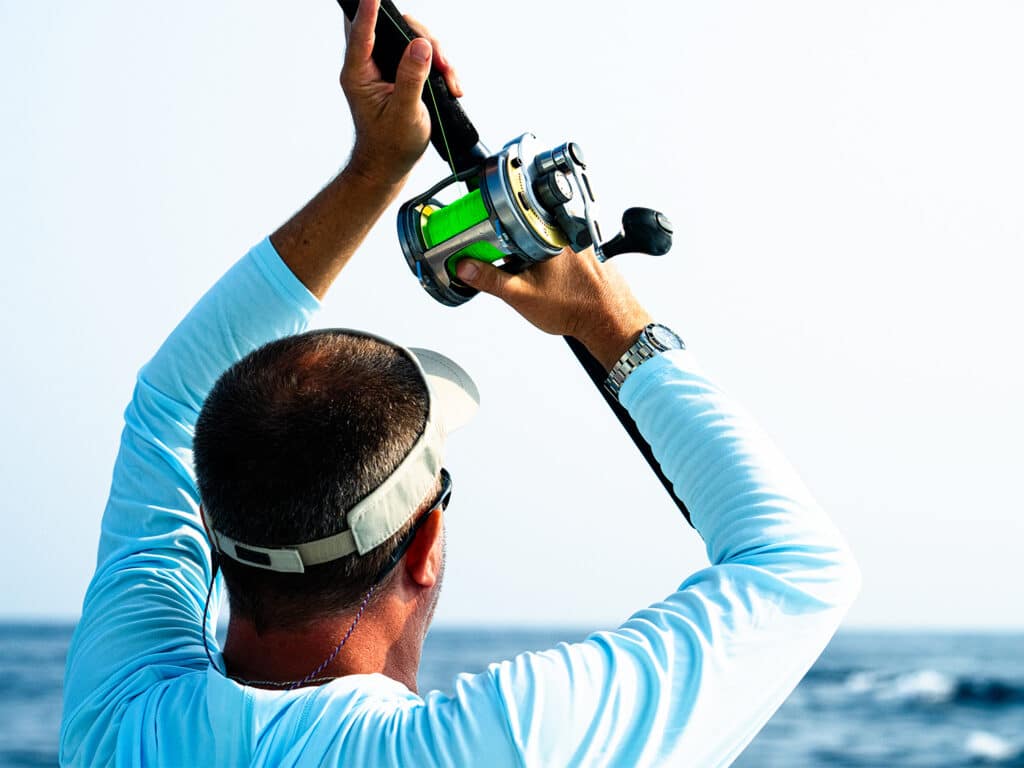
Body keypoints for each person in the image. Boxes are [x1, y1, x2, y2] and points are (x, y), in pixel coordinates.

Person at [60, 1, 860, 765]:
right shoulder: (507, 741)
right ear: (424, 546)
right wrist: (612, 321)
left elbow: (172, 404)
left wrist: (378, 169)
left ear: (213, 526)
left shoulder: (118, 715)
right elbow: (801, 567)